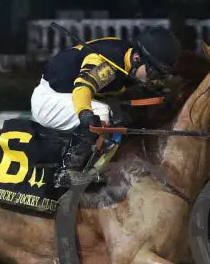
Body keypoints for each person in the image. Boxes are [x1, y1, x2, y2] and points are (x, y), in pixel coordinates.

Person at [31, 26, 182, 186]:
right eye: (154, 73)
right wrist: (85, 113)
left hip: (66, 95)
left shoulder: (129, 58)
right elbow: (82, 90)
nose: (154, 79)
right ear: (137, 58)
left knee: (120, 114)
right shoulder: (107, 66)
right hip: (49, 100)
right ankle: (67, 172)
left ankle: (99, 167)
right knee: (101, 112)